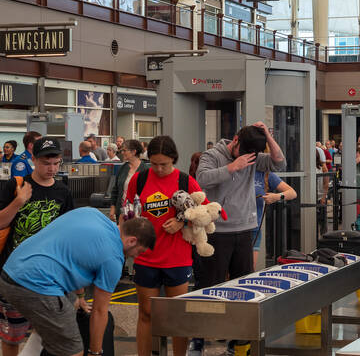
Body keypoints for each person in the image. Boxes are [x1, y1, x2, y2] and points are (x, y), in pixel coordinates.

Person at [0, 211, 154, 356]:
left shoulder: (92, 214)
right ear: (132, 240)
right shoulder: (113, 258)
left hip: (10, 272)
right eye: (139, 252)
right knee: (73, 351)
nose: (136, 257)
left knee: (70, 303)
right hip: (35, 286)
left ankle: (32, 350)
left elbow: (73, 252)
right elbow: (99, 311)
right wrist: (95, 352)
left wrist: (80, 296)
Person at [193, 123, 285, 354]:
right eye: (241, 152)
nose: (245, 158)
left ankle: (237, 343)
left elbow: (279, 161)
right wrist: (232, 167)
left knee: (241, 287)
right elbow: (201, 179)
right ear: (234, 141)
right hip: (217, 231)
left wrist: (268, 137)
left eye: (249, 155)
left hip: (244, 229)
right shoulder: (212, 155)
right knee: (208, 286)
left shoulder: (254, 156)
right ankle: (198, 340)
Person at [124, 135, 208, 356]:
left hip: (177, 258)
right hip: (145, 257)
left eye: (165, 164)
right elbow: (128, 212)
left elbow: (206, 212)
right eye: (154, 164)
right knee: (146, 314)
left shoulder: (185, 181)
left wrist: (182, 220)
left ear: (174, 160)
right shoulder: (139, 179)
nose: (159, 169)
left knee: (177, 316)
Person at [0, 137, 74, 356]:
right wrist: (18, 202)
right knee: (12, 336)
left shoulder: (63, 191)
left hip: (47, 276)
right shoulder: (17, 185)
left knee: (49, 332)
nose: (51, 168)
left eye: (56, 163)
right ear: (33, 159)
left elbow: (67, 234)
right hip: (14, 274)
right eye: (45, 163)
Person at [254, 166, 297, 269]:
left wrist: (276, 197)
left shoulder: (265, 174)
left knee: (246, 272)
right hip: (231, 228)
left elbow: (292, 193)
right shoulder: (238, 170)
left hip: (254, 229)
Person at [109, 140, 150, 223]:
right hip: (121, 212)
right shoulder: (123, 168)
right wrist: (113, 209)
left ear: (134, 152)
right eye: (121, 150)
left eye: (124, 150)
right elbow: (115, 190)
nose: (122, 153)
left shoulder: (145, 170)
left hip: (139, 214)